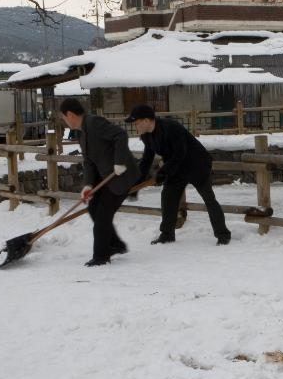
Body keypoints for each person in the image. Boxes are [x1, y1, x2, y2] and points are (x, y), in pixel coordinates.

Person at [127, 103, 231, 246]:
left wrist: (163, 172)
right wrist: (136, 184)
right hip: (176, 168)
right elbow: (146, 162)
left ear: (146, 120)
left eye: (136, 123)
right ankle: (167, 234)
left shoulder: (171, 128)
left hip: (196, 165)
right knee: (168, 196)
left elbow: (179, 153)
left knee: (208, 198)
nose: (135, 127)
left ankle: (223, 234)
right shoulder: (147, 137)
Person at [58, 98, 141, 266]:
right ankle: (116, 244)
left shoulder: (95, 123)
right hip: (106, 177)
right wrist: (88, 185)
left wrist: (119, 162)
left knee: (103, 215)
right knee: (94, 208)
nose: (64, 122)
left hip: (122, 176)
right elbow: (88, 162)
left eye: (63, 118)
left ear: (70, 115)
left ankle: (101, 256)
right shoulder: (82, 133)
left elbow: (120, 135)